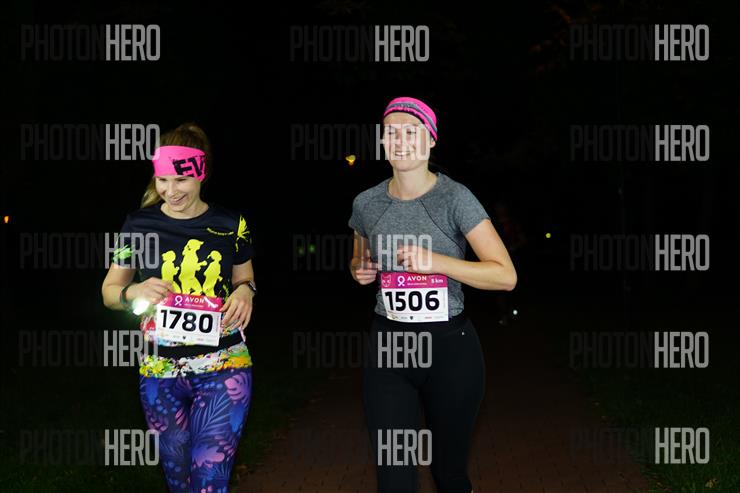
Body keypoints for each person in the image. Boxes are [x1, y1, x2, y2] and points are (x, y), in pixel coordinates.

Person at [349, 97, 517, 493]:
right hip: (389, 348)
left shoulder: (455, 198)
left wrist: (437, 262)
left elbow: (505, 276)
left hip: (450, 349)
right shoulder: (366, 202)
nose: (400, 141)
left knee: (449, 474)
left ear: (431, 141)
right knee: (394, 477)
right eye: (391, 132)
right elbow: (359, 254)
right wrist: (359, 269)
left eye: (411, 132)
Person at [101, 123, 256, 492]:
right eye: (162, 180)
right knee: (179, 481)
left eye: (181, 180)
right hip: (160, 371)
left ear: (201, 173)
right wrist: (134, 290)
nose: (171, 191)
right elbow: (109, 292)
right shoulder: (138, 225)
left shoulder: (231, 224)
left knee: (209, 481)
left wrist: (246, 292)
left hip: (223, 366)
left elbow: (245, 278)